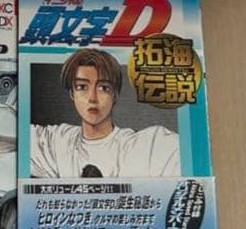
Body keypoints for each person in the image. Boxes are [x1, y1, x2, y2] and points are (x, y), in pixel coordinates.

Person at [30, 49, 179, 179]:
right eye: (82, 87)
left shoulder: (147, 146)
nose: (92, 98)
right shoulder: (57, 142)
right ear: (72, 93)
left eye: (103, 88)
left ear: (115, 95)